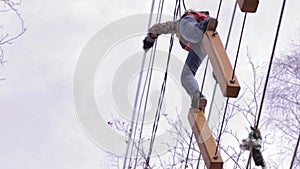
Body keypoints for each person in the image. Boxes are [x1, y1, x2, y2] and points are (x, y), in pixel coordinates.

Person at [142, 9, 218, 112]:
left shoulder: (181, 23)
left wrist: (149, 39)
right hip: (202, 44)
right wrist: (217, 70)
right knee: (186, 76)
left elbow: (159, 28)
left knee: (193, 34)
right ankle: (197, 97)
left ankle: (204, 26)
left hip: (198, 27)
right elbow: (214, 54)